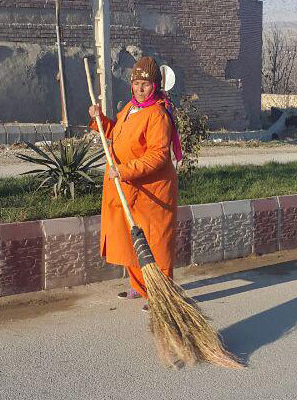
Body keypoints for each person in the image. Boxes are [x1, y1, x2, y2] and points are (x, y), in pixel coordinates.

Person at [88, 56, 181, 311]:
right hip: (128, 188)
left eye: (146, 84)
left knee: (156, 243)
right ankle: (140, 287)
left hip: (153, 191)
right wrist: (100, 120)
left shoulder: (157, 114)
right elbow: (117, 134)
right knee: (132, 239)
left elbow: (158, 156)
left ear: (156, 86)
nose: (141, 89)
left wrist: (124, 170)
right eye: (137, 83)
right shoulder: (130, 108)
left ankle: (161, 295)